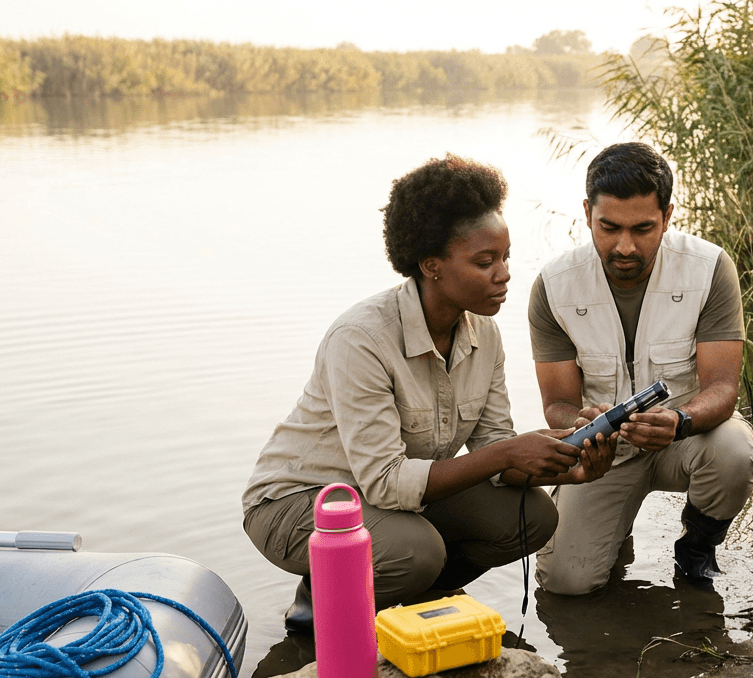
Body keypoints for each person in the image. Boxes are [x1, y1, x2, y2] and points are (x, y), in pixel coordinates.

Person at [242, 155, 615, 632]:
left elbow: (494, 449)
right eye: (485, 262)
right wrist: (506, 452)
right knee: (416, 551)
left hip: (387, 502)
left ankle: (419, 596)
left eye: (505, 256)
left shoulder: (484, 333)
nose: (503, 274)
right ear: (431, 265)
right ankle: (326, 592)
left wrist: (573, 466)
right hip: (300, 502)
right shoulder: (361, 338)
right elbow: (386, 481)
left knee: (533, 516)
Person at [528, 142, 753, 595]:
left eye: (643, 228)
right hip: (605, 455)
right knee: (565, 585)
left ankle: (697, 549)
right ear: (586, 213)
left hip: (687, 440)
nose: (625, 247)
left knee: (733, 452)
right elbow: (557, 404)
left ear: (669, 215)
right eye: (608, 227)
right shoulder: (553, 286)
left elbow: (722, 388)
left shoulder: (710, 268)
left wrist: (679, 421)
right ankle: (614, 537)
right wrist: (579, 422)